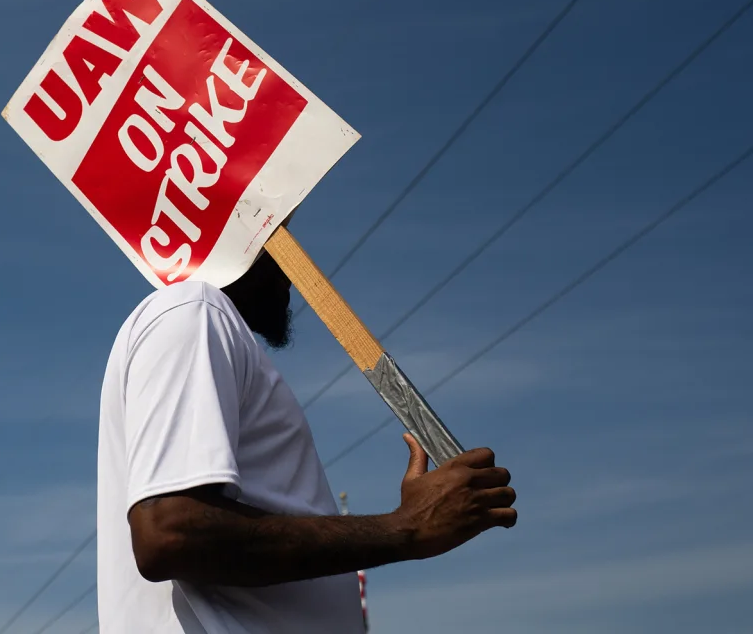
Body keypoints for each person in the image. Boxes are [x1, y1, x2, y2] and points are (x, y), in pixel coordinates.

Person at [95, 245, 517, 632]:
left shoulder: (204, 323)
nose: (293, 270)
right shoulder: (194, 310)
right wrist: (405, 527)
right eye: (278, 239)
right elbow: (172, 534)